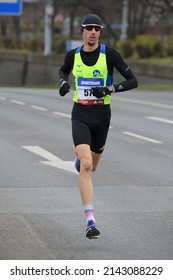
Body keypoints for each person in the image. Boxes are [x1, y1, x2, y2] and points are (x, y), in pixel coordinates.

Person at [58, 14, 138, 239]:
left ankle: (82, 160)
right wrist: (63, 83)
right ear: (82, 31)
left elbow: (133, 81)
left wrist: (110, 90)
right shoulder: (73, 55)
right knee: (85, 165)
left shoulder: (110, 55)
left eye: (96, 28)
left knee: (92, 166)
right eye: (88, 28)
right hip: (80, 114)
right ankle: (90, 221)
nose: (93, 32)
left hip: (102, 117)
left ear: (100, 32)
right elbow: (63, 70)